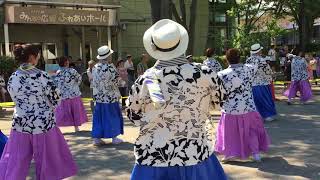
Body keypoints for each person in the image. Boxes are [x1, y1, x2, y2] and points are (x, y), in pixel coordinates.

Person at [127, 19, 226, 180]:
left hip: (154, 156)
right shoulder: (205, 74)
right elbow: (220, 102)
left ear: (154, 47)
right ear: (181, 42)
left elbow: (134, 117)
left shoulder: (146, 80)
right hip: (194, 152)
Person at [0, 44, 77, 180]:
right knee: (48, 161)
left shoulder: (13, 77)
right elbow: (56, 99)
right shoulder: (42, 76)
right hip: (43, 123)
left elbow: (15, 97)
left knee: (16, 160)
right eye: (38, 55)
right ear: (32, 57)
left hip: (21, 123)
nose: (39, 57)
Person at [215, 48, 270, 162]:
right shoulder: (250, 69)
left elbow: (219, 92)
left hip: (230, 108)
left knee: (229, 133)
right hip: (248, 106)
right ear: (240, 58)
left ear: (226, 59)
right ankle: (255, 154)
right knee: (252, 131)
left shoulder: (221, 74)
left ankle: (228, 153)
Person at [91, 45, 124, 146]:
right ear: (108, 56)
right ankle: (114, 138)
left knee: (99, 117)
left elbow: (94, 82)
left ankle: (97, 139)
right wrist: (122, 83)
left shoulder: (95, 67)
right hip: (110, 97)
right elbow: (116, 80)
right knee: (113, 116)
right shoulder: (110, 67)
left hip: (99, 97)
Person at [54, 56, 88, 132]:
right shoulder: (72, 71)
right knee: (75, 111)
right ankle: (76, 127)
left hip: (63, 95)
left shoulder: (58, 72)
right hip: (74, 94)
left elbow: (56, 83)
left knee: (62, 111)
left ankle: (58, 127)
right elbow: (79, 79)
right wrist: (75, 84)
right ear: (66, 63)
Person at [246, 43, 277, 122]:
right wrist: (272, 75)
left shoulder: (248, 60)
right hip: (262, 83)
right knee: (265, 99)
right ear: (259, 51)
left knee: (255, 100)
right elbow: (267, 70)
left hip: (252, 83)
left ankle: (256, 116)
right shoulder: (261, 60)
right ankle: (267, 115)